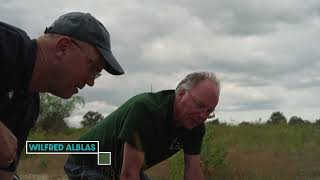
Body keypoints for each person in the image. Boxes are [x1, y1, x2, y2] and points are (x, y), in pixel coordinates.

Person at [0, 12, 124, 179]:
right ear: (63, 47)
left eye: (96, 74)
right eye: (93, 68)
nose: (91, 82)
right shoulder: (7, 44)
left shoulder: (28, 107)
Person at [65, 71, 220, 180]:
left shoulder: (195, 125)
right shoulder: (147, 110)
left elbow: (193, 172)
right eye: (200, 105)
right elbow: (128, 175)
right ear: (181, 94)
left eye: (209, 111)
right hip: (90, 161)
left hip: (120, 168)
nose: (203, 116)